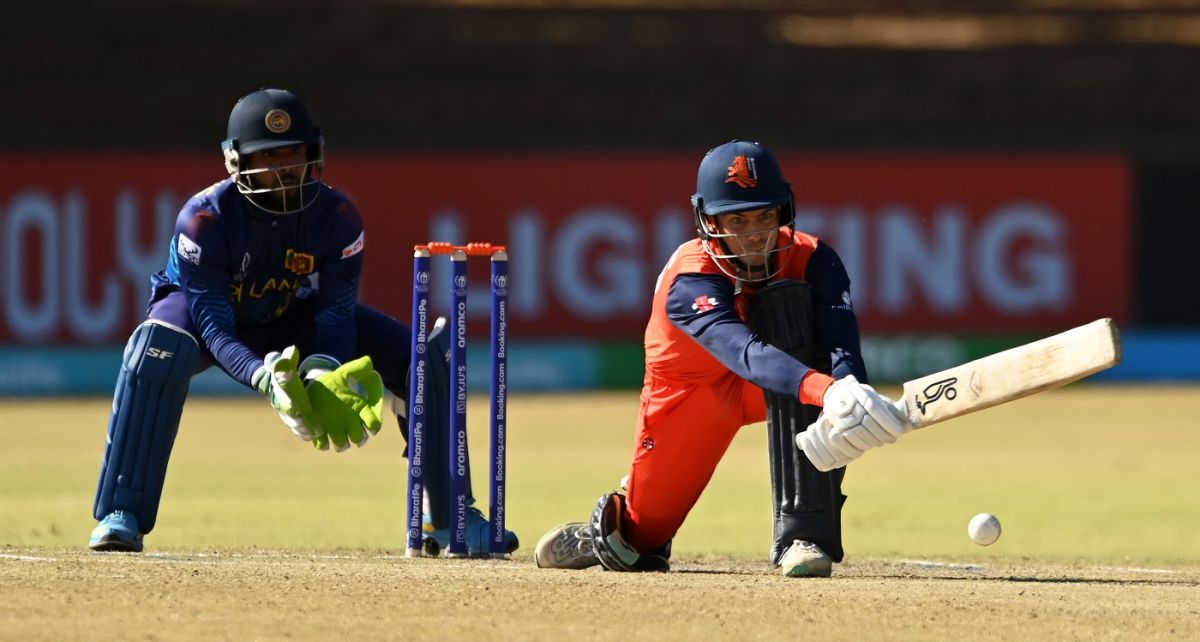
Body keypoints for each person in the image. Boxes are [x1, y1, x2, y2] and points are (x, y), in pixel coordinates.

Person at [88, 87, 518, 556]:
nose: (286, 169)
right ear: (235, 163)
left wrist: (316, 374)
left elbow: (335, 315)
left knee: (422, 357)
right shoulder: (204, 221)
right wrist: (267, 381)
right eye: (269, 157)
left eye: (295, 154)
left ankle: (449, 517)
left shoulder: (337, 217)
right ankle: (122, 512)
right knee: (159, 348)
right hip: (200, 314)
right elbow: (214, 328)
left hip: (285, 310)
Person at [533, 140, 909, 577]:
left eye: (765, 216)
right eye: (737, 220)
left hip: (774, 383)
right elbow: (746, 354)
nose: (753, 234)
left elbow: (842, 344)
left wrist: (850, 390)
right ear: (708, 222)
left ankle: (803, 536)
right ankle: (619, 525)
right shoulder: (689, 280)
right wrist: (829, 391)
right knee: (640, 546)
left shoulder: (815, 260)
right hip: (689, 396)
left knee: (805, 350)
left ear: (783, 212)